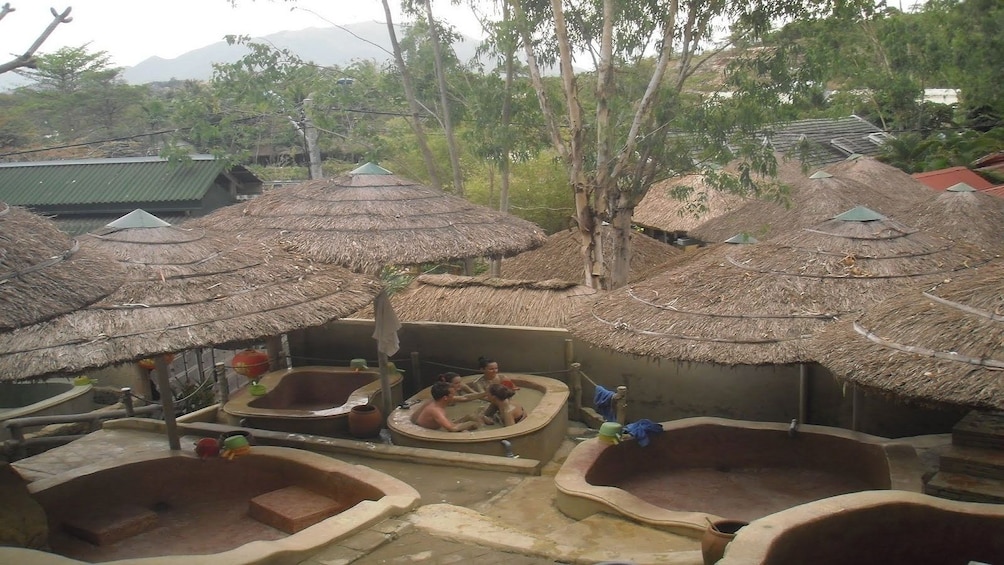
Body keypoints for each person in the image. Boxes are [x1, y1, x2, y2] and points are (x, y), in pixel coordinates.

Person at [411, 382, 480, 432]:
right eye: (452, 394)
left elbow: (465, 397)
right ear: (445, 398)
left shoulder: (438, 401)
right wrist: (471, 424)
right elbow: (452, 428)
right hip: (429, 432)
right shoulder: (436, 410)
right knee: (467, 429)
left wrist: (484, 394)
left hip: (438, 427)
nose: (454, 396)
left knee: (470, 417)